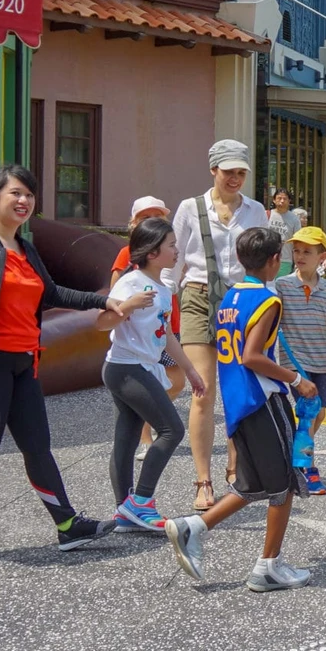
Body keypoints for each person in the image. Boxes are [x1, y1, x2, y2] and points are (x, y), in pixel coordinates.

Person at [0, 166, 143, 563]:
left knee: (37, 447)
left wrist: (104, 301)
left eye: (29, 194)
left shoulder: (25, 249)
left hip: (24, 363)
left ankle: (67, 525)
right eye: (15, 193)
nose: (24, 200)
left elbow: (52, 292)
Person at [163, 227, 312, 593]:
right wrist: (296, 381)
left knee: (253, 484)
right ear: (276, 260)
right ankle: (269, 566)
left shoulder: (229, 298)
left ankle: (193, 527)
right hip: (263, 400)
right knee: (283, 486)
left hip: (237, 403)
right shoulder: (268, 300)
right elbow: (253, 356)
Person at [167, 140, 269, 511]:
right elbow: (172, 261)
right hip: (197, 295)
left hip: (243, 300)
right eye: (229, 171)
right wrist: (163, 305)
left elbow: (265, 261)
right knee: (203, 389)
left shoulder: (256, 210)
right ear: (213, 170)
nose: (235, 178)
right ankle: (202, 479)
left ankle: (236, 467)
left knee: (239, 388)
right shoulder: (190, 209)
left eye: (241, 172)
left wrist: (270, 307)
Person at [100, 216, 205, 534]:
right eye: (171, 245)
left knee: (128, 437)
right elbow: (102, 324)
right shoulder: (130, 283)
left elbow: (167, 335)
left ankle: (125, 513)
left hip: (141, 366)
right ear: (151, 251)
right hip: (124, 367)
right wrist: (127, 305)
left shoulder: (163, 286)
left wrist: (189, 369)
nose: (177, 250)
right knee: (172, 430)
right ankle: (141, 502)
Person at [274, 225, 326, 494]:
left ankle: (296, 454)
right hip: (293, 361)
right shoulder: (282, 285)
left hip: (319, 359)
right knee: (309, 411)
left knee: (320, 412)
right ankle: (306, 467)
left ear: (322, 257)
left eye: (307, 251)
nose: (300, 255)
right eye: (296, 250)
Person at [111, 197, 187, 442]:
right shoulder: (128, 253)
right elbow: (114, 295)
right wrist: (126, 308)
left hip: (167, 324)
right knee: (148, 382)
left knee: (176, 381)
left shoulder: (168, 249)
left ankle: (149, 413)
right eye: (145, 217)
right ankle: (145, 438)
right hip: (140, 332)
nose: (152, 220)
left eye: (158, 216)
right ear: (133, 223)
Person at [268, 188, 302, 276]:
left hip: (285, 260)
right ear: (274, 200)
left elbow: (297, 241)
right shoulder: (266, 215)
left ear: (289, 201)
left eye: (285, 199)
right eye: (279, 198)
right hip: (267, 258)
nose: (282, 201)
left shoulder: (294, 219)